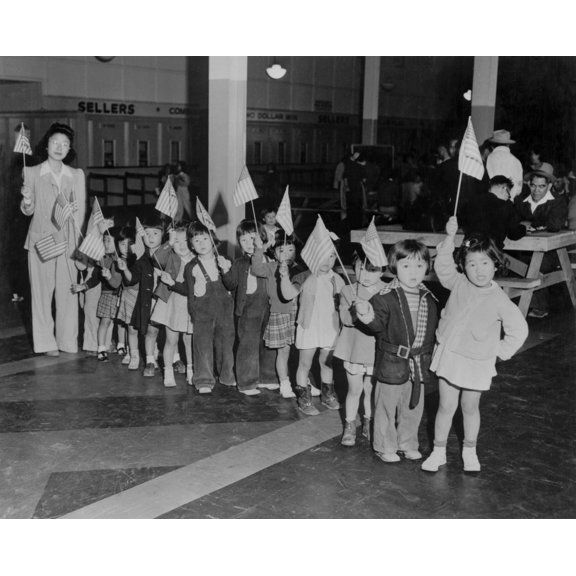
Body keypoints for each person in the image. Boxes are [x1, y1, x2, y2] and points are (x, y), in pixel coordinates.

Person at [421, 218, 528, 473]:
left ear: (495, 265)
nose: (479, 270)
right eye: (471, 264)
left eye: (485, 263)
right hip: (451, 356)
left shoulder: (500, 299)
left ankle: (470, 451)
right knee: (446, 405)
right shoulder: (458, 283)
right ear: (464, 266)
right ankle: (438, 452)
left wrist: (498, 353)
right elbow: (443, 266)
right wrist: (449, 237)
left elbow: (519, 330)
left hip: (477, 361)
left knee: (470, 407)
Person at [355, 240, 438, 463]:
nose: (414, 272)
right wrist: (365, 314)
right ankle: (384, 445)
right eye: (406, 266)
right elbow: (376, 324)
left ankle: (407, 443)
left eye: (420, 266)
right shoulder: (384, 297)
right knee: (386, 407)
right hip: (392, 362)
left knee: (413, 407)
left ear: (427, 268)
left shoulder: (429, 299)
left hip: (419, 363)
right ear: (394, 266)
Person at [20, 123, 86, 355]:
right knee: (41, 294)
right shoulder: (31, 172)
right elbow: (28, 210)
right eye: (55, 142)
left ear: (70, 149)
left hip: (68, 241)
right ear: (46, 145)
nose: (60, 147)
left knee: (68, 292)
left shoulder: (76, 175)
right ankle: (46, 344)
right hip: (41, 241)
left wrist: (78, 247)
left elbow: (79, 213)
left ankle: (67, 341)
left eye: (65, 144)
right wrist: (27, 200)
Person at [168, 222, 235, 393]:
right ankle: (204, 380)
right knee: (202, 346)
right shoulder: (192, 266)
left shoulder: (224, 261)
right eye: (196, 240)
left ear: (213, 240)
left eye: (205, 238)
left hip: (224, 311)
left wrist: (226, 270)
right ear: (191, 245)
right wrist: (172, 284)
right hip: (202, 312)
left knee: (225, 346)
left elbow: (231, 285)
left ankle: (227, 375)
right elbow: (187, 290)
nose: (202, 243)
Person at [279, 243, 345, 416]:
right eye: (323, 255)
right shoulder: (304, 276)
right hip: (309, 326)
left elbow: (344, 304)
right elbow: (287, 294)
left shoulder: (337, 278)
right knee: (305, 363)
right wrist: (284, 277)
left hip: (330, 327)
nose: (327, 260)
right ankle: (303, 397)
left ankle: (327, 394)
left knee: (327, 363)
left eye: (331, 256)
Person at [334, 249, 389, 446]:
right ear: (354, 268)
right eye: (361, 268)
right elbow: (345, 320)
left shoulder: (388, 290)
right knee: (355, 388)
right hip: (354, 347)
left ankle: (368, 421)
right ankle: (349, 425)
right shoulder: (348, 290)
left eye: (373, 270)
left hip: (377, 349)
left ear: (382, 270)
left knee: (371, 388)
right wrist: (356, 311)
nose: (365, 275)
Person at [222, 220, 279, 396]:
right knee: (248, 346)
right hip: (248, 309)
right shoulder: (239, 263)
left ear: (262, 238)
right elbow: (231, 285)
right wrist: (225, 270)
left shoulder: (270, 260)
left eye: (252, 239)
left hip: (269, 308)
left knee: (269, 344)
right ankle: (247, 381)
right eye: (244, 240)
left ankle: (267, 377)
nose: (249, 244)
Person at [251, 231, 302, 400]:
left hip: (299, 314)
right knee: (284, 352)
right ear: (274, 252)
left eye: (290, 250)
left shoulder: (300, 269)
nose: (286, 254)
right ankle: (284, 382)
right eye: (281, 250)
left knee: (301, 350)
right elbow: (256, 268)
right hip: (280, 313)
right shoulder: (271, 267)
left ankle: (303, 381)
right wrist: (259, 249)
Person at [513, 163, 568, 318]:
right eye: (533, 186)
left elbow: (555, 224)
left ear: (549, 185)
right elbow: (512, 221)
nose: (536, 190)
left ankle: (538, 306)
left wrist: (529, 224)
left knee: (534, 265)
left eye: (541, 186)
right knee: (508, 262)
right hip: (521, 249)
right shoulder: (520, 201)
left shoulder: (558, 202)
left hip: (549, 252)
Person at [121, 215, 171, 377]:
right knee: (151, 331)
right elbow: (132, 279)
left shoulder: (170, 254)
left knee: (171, 333)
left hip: (166, 300)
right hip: (149, 301)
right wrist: (124, 269)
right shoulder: (143, 258)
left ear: (163, 235)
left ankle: (175, 359)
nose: (150, 237)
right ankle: (150, 361)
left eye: (155, 233)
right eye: (147, 233)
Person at [155, 226, 195, 387]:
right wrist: (169, 243)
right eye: (177, 242)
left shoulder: (196, 259)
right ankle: (168, 371)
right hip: (171, 302)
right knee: (171, 339)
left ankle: (192, 371)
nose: (182, 245)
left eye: (185, 240)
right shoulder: (171, 256)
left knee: (189, 340)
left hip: (189, 304)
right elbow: (157, 257)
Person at [460, 175, 526, 250]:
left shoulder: (470, 202)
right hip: (490, 251)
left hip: (469, 248)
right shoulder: (505, 205)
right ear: (504, 188)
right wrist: (524, 228)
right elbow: (514, 234)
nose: (508, 197)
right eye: (509, 194)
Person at [112, 226, 139, 369]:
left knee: (147, 328)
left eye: (129, 243)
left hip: (141, 296)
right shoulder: (118, 261)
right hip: (127, 296)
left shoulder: (139, 258)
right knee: (130, 328)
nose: (126, 247)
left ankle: (152, 351)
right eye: (122, 244)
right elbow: (116, 282)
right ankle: (132, 353)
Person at [485, 129, 523, 200]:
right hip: (509, 202)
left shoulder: (490, 157)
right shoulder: (516, 161)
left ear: (492, 145)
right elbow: (519, 189)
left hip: (491, 200)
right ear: (508, 145)